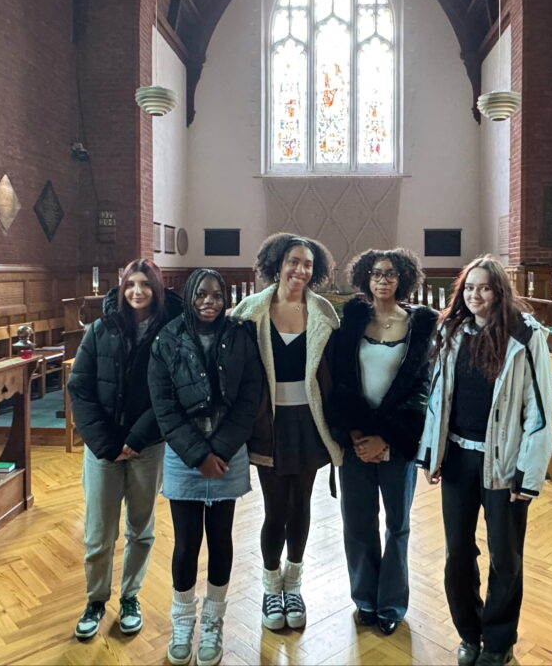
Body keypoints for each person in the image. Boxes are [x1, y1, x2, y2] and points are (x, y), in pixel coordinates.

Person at [417, 255, 552, 666]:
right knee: (457, 553)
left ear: (499, 292)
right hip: (458, 458)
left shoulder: (525, 335)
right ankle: (469, 634)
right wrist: (433, 453)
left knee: (505, 555)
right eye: (470, 288)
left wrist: (528, 475)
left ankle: (498, 641)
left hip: (504, 464)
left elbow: (539, 409)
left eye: (485, 288)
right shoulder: (451, 330)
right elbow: (438, 399)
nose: (476, 295)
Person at [149, 269, 263, 666]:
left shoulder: (240, 336)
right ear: (189, 295)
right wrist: (198, 454)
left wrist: (222, 449)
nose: (209, 301)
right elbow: (163, 405)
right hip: (185, 458)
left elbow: (251, 396)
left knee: (221, 540)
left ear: (226, 297)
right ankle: (183, 621)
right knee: (185, 544)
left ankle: (213, 622)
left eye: (217, 294)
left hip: (229, 454)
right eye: (201, 294)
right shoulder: (168, 339)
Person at [229, 233, 341, 630]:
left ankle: (293, 585)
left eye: (308, 264)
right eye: (294, 261)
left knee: (302, 505)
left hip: (309, 422)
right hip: (267, 423)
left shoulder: (324, 311)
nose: (300, 270)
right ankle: (270, 584)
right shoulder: (249, 311)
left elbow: (333, 373)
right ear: (277, 264)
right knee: (275, 509)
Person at [68, 259, 182, 641]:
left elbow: (170, 392)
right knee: (99, 532)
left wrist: (136, 438)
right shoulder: (99, 330)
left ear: (156, 289)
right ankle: (95, 600)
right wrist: (104, 443)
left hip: (146, 446)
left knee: (141, 528)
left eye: (145, 284)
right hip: (103, 448)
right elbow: (80, 387)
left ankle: (130, 596)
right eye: (131, 284)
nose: (137, 291)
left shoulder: (170, 333)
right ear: (121, 289)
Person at [326, 248, 436, 636]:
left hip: (397, 443)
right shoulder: (352, 320)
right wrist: (356, 434)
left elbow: (423, 389)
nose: (383, 280)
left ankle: (391, 603)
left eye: (390, 274)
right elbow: (340, 381)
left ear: (403, 278)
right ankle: (365, 600)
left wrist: (387, 439)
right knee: (357, 524)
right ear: (365, 279)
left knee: (398, 525)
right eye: (376, 274)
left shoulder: (422, 325)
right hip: (356, 441)